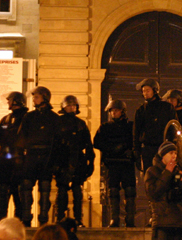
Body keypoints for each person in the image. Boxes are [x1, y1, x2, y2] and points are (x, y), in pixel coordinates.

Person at [17, 86, 60, 227]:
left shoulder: (54, 118)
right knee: (26, 186)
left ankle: (43, 219)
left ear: (44, 98)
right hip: (31, 156)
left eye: (36, 96)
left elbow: (58, 141)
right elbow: (21, 137)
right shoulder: (29, 116)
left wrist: (55, 162)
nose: (34, 99)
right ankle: (26, 217)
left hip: (47, 156)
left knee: (45, 188)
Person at [93, 100, 136, 227]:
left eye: (116, 110)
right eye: (112, 111)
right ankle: (114, 219)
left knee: (130, 191)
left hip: (127, 163)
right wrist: (112, 149)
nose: (113, 113)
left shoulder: (130, 126)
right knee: (113, 192)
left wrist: (131, 151)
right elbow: (96, 142)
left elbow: (136, 141)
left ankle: (130, 219)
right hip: (112, 164)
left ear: (122, 111)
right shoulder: (105, 127)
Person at [54, 95, 95, 226]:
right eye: (69, 105)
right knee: (62, 193)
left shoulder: (80, 124)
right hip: (62, 160)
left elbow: (88, 145)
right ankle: (60, 218)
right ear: (63, 107)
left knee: (77, 193)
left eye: (73, 105)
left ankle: (78, 219)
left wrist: (90, 163)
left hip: (78, 161)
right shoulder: (58, 122)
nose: (71, 107)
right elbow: (53, 145)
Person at [144, 141, 182, 240]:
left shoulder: (178, 171)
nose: (174, 156)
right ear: (163, 155)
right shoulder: (152, 171)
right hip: (162, 222)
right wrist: (167, 172)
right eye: (171, 153)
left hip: (178, 223)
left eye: (175, 153)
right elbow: (153, 194)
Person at [134, 78, 177, 173]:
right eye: (143, 91)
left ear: (155, 90)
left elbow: (173, 128)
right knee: (150, 176)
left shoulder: (166, 107)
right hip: (148, 149)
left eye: (148, 90)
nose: (145, 93)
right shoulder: (141, 110)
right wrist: (136, 152)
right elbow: (136, 132)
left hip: (164, 148)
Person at [0, 92, 27, 219]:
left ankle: (20, 223)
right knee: (2, 196)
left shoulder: (27, 118)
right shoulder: (5, 119)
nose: (8, 102)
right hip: (5, 164)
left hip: (21, 164)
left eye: (10, 100)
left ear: (16, 101)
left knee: (19, 197)